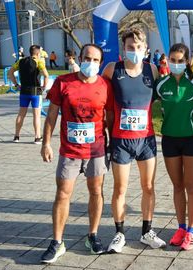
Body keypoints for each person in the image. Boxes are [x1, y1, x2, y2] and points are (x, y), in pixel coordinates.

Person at [39, 44, 111, 263]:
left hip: (96, 149)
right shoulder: (63, 83)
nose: (91, 63)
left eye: (96, 60)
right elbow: (51, 115)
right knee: (63, 193)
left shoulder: (105, 85)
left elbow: (109, 117)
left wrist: (112, 143)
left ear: (100, 63)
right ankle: (57, 242)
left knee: (96, 191)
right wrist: (45, 143)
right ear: (80, 58)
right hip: (69, 150)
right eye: (87, 58)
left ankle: (93, 235)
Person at [102, 28, 166, 253]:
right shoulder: (112, 70)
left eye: (139, 47)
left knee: (148, 186)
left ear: (146, 49)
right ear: (123, 48)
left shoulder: (152, 70)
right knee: (120, 188)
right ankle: (119, 234)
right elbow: (104, 103)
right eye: (130, 47)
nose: (135, 51)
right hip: (121, 141)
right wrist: (108, 135)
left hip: (146, 140)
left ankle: (147, 231)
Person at [156, 43, 193, 250]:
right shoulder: (161, 84)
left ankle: (192, 230)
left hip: (191, 139)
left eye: (180, 60)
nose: (176, 64)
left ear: (187, 62)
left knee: (191, 186)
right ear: (167, 60)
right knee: (177, 186)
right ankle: (181, 227)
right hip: (169, 140)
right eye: (172, 60)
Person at [9, 45, 49, 144]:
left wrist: (16, 84)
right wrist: (44, 86)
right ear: (38, 53)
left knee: (21, 114)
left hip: (23, 91)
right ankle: (37, 137)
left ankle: (16, 136)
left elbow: (10, 72)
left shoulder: (21, 61)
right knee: (36, 115)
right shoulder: (39, 62)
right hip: (35, 91)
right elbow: (46, 75)